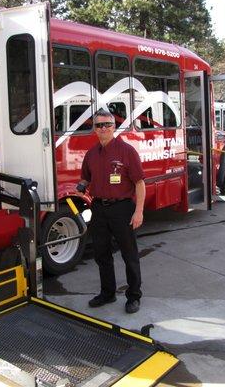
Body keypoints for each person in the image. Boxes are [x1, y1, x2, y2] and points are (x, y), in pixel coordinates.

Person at [77, 109, 145, 314]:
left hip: (122, 208)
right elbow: (86, 178)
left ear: (114, 127)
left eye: (107, 124)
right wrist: (81, 185)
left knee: (129, 254)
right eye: (99, 125)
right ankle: (108, 293)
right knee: (102, 254)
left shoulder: (126, 151)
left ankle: (134, 296)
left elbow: (140, 183)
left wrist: (139, 211)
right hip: (98, 208)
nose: (103, 128)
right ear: (94, 129)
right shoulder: (91, 154)